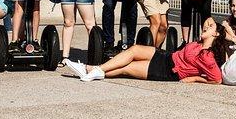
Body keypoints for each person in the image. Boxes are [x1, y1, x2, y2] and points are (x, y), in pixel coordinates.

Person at [65, 17, 225, 83]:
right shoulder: (197, 44)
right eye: (206, 24)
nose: (205, 25)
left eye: (210, 26)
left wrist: (194, 78)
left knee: (126, 69)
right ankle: (93, 69)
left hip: (168, 70)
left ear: (216, 34)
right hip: (166, 57)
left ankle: (89, 70)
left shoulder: (208, 57)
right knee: (134, 50)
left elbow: (217, 79)